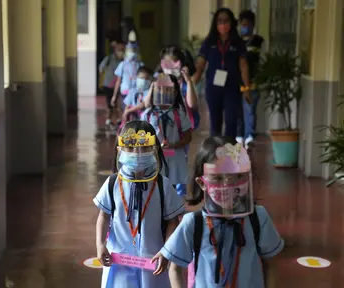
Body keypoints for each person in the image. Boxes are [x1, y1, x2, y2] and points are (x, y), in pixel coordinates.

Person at [151, 137, 284, 288]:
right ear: (202, 183)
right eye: (218, 178)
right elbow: (175, 269)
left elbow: (271, 265)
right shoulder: (194, 223)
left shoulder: (258, 218)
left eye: (237, 176)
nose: (227, 185)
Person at [94, 120, 184, 288]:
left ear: (154, 148)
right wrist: (100, 244)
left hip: (153, 260)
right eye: (130, 147)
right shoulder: (112, 183)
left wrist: (167, 251)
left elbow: (173, 221)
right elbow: (104, 216)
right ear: (120, 148)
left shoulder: (162, 185)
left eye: (144, 146)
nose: (137, 153)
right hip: (119, 262)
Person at [192, 8, 251, 138]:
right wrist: (190, 86)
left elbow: (243, 66)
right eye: (220, 21)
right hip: (213, 88)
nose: (223, 25)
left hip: (232, 87)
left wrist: (247, 88)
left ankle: (230, 152)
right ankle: (215, 152)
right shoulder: (209, 42)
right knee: (215, 122)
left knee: (231, 121)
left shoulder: (238, 43)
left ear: (231, 23)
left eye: (226, 21)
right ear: (215, 23)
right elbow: (200, 66)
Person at [141, 74, 192, 197]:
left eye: (168, 90)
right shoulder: (148, 115)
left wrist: (174, 145)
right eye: (159, 89)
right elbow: (142, 138)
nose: (163, 93)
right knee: (154, 187)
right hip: (154, 158)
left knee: (171, 188)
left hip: (174, 157)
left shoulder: (179, 114)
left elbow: (188, 137)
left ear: (175, 93)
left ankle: (171, 212)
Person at [236, 10, 265, 148]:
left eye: (247, 24)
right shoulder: (235, 41)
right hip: (236, 82)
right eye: (242, 24)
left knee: (250, 110)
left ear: (253, 25)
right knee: (238, 112)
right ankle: (239, 136)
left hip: (253, 82)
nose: (244, 27)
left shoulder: (258, 41)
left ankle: (249, 137)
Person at [111, 42, 144, 123]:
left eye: (134, 50)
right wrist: (114, 96)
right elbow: (118, 81)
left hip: (137, 94)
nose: (132, 52)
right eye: (130, 50)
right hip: (125, 93)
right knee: (125, 113)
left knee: (136, 113)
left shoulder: (140, 65)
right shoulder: (122, 64)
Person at [99, 40, 126, 128]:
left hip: (119, 85)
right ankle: (109, 120)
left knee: (119, 103)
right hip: (109, 85)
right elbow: (101, 68)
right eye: (119, 49)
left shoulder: (125, 61)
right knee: (109, 103)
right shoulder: (109, 58)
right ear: (115, 49)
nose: (121, 51)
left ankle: (119, 119)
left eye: (123, 49)